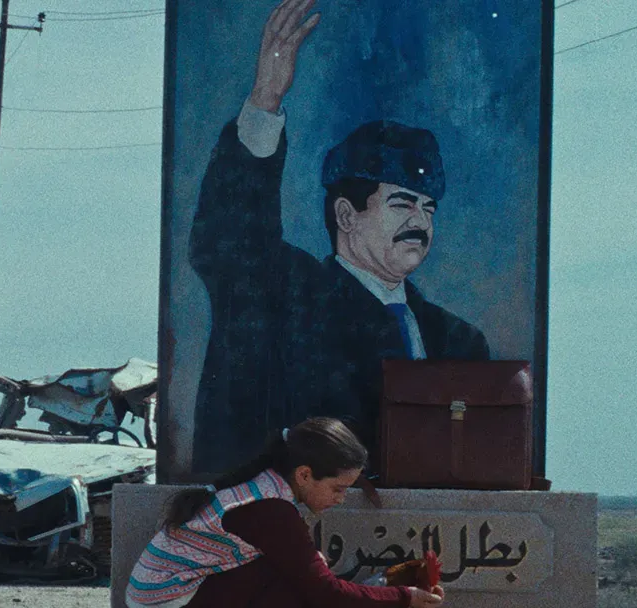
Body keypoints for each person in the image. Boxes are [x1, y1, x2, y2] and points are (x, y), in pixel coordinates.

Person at [190, 0, 489, 475]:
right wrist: (265, 100)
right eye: (402, 203)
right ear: (347, 215)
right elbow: (230, 237)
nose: (421, 221)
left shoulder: (457, 340)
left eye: (428, 207)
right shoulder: (286, 296)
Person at [118, 417, 444, 608]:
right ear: (304, 475)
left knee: (303, 567)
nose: (341, 499)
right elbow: (327, 593)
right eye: (337, 488)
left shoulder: (271, 488)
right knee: (292, 579)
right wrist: (405, 598)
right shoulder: (269, 508)